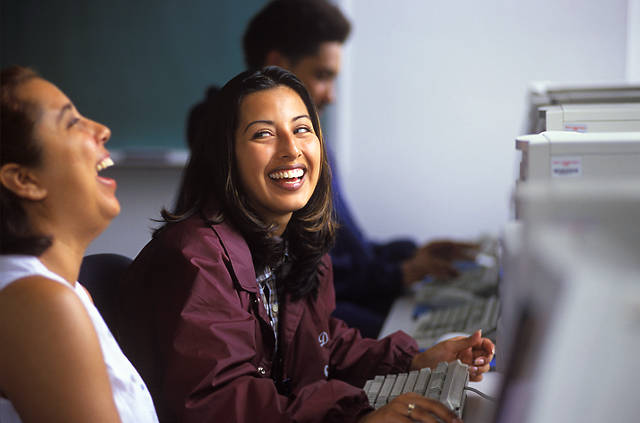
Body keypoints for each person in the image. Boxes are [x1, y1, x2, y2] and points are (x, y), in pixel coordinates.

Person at [116, 66, 494, 423]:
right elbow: (220, 403)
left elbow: (321, 344)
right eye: (263, 134)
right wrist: (354, 416)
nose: (291, 150)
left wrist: (414, 361)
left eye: (302, 129)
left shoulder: (287, 243)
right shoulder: (195, 257)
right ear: (226, 156)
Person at [243, 0, 478, 338]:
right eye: (322, 76)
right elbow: (298, 287)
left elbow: (345, 252)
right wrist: (398, 276)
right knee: (413, 341)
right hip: (301, 334)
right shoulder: (265, 167)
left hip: (325, 317)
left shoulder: (315, 149)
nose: (331, 96)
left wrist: (409, 254)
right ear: (278, 66)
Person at [0, 66, 159, 423]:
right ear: (24, 179)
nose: (102, 130)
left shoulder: (66, 293)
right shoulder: (37, 304)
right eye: (72, 123)